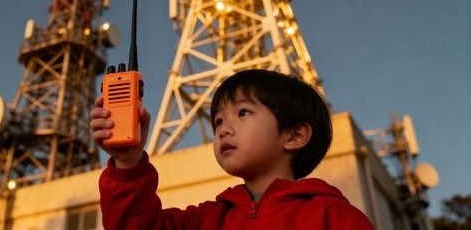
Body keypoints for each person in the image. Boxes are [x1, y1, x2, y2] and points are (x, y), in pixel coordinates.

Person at [90, 69, 375, 229]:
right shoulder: (207, 219)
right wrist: (128, 163)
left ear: (295, 135)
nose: (224, 129)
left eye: (243, 113)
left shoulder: (334, 217)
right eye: (218, 122)